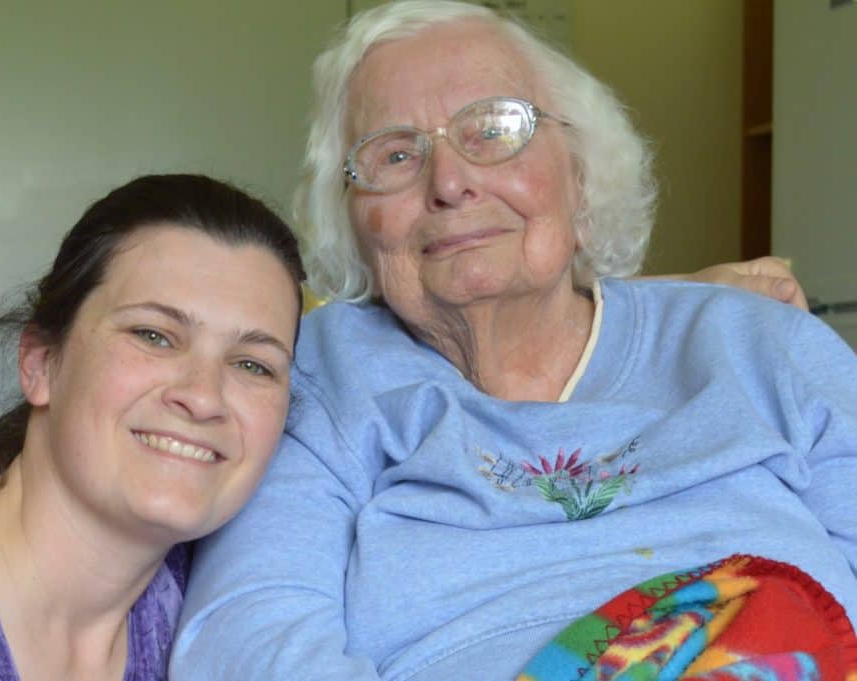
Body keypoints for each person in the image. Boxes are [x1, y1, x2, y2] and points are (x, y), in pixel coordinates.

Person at [172, 3, 857, 679]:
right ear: (351, 221)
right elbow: (248, 634)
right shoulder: (323, 376)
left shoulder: (758, 341)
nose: (448, 182)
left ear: (580, 177)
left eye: (495, 129)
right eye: (397, 153)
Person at [0, 174, 305, 680]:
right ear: (40, 363)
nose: (204, 397)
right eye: (154, 335)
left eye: (254, 364)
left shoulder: (221, 617)